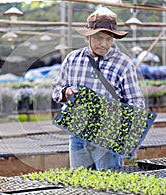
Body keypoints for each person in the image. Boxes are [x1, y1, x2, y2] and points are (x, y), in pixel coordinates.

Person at [52, 6, 145, 170]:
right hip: (78, 134)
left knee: (108, 186)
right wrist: (66, 92)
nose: (104, 44)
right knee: (80, 185)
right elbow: (56, 89)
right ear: (87, 37)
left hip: (106, 137)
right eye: (99, 38)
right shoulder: (73, 59)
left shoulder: (123, 64)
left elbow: (136, 102)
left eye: (109, 39)